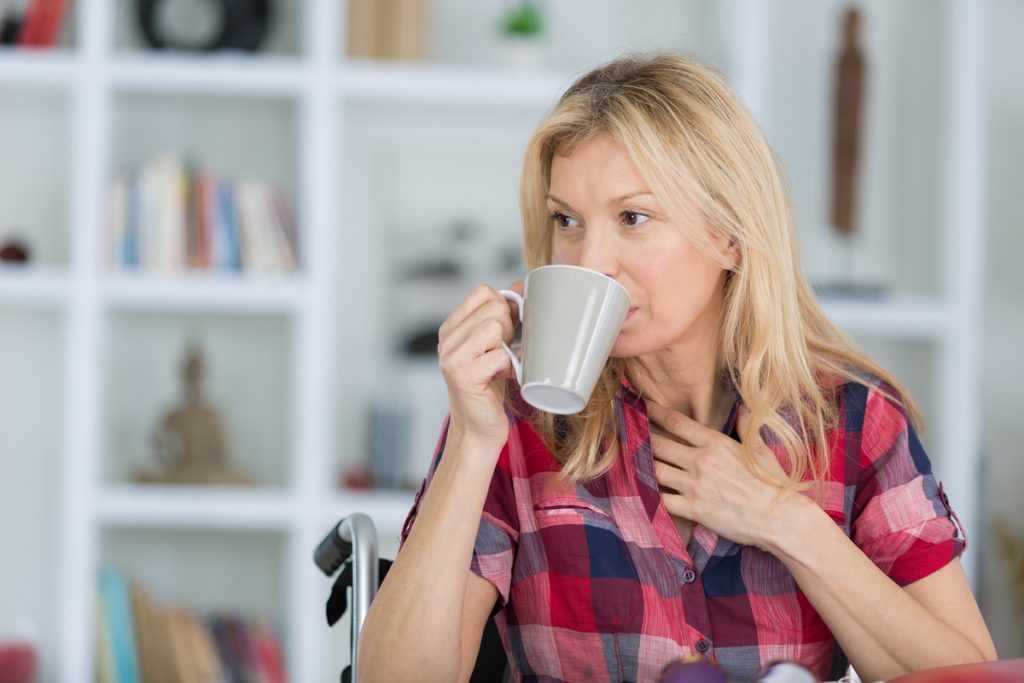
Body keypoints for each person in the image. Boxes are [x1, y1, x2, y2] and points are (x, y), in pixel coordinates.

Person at [356, 53, 996, 682]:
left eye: (633, 217)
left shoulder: (854, 421)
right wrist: (471, 444)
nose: (590, 260)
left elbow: (967, 676)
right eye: (567, 221)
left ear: (730, 234)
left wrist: (788, 524)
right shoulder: (513, 421)